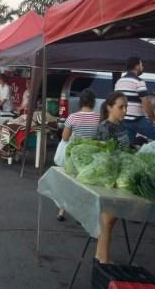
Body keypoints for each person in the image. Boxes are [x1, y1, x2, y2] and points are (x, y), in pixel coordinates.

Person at [94, 91, 130, 263]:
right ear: (109, 107)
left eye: (126, 107)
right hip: (109, 181)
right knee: (108, 221)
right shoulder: (104, 128)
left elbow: (124, 150)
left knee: (109, 222)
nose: (125, 110)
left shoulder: (121, 126)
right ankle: (104, 261)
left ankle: (100, 256)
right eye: (121, 107)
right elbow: (102, 158)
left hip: (120, 178)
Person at [56, 89, 101, 221]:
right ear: (93, 102)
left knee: (70, 183)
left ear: (80, 102)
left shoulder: (73, 117)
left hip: (74, 156)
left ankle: (61, 212)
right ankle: (80, 215)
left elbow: (64, 137)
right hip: (91, 156)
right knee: (86, 185)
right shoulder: (98, 117)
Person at [115, 57, 155, 144]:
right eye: (141, 65)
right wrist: (153, 120)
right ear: (136, 66)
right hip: (137, 120)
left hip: (123, 120)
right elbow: (146, 103)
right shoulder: (138, 82)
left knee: (128, 147)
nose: (143, 67)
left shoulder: (119, 82)